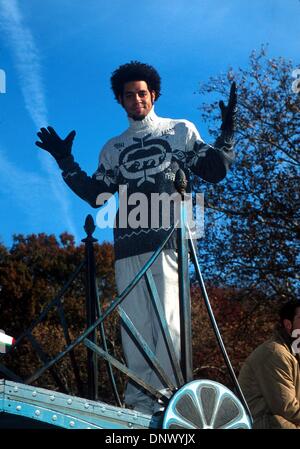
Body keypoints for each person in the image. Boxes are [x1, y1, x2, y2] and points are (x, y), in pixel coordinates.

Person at [36, 61, 236, 414]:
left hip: (169, 242)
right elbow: (97, 195)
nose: (137, 99)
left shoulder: (180, 130)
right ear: (120, 100)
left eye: (142, 93)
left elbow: (215, 170)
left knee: (170, 322)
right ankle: (139, 406)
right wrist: (65, 161)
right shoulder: (113, 148)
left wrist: (228, 134)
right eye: (129, 95)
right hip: (127, 246)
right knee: (136, 327)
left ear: (153, 94)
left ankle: (169, 400)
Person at [238, 300, 300, 429]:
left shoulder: (294, 353)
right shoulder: (275, 353)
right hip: (262, 423)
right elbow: (287, 409)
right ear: (288, 324)